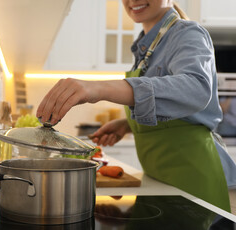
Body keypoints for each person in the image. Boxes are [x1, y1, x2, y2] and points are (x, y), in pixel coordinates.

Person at [36, 0, 236, 212]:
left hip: (196, 184)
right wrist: (128, 124)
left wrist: (99, 88)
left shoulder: (187, 33)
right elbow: (180, 114)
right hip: (162, 183)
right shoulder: (147, 46)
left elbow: (196, 90)